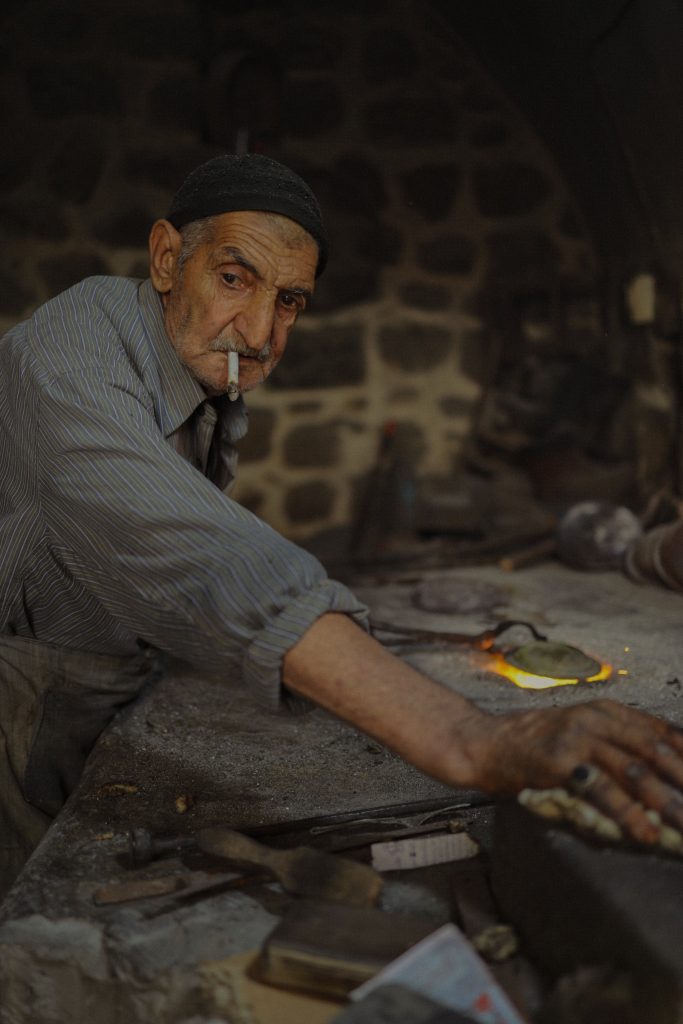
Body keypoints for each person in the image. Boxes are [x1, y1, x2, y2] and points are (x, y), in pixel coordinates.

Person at [1, 154, 682, 900]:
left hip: (110, 684)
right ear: (168, 257)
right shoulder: (69, 358)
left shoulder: (193, 362)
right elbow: (192, 546)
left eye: (289, 300)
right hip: (25, 706)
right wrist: (472, 738)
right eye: (233, 279)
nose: (260, 331)